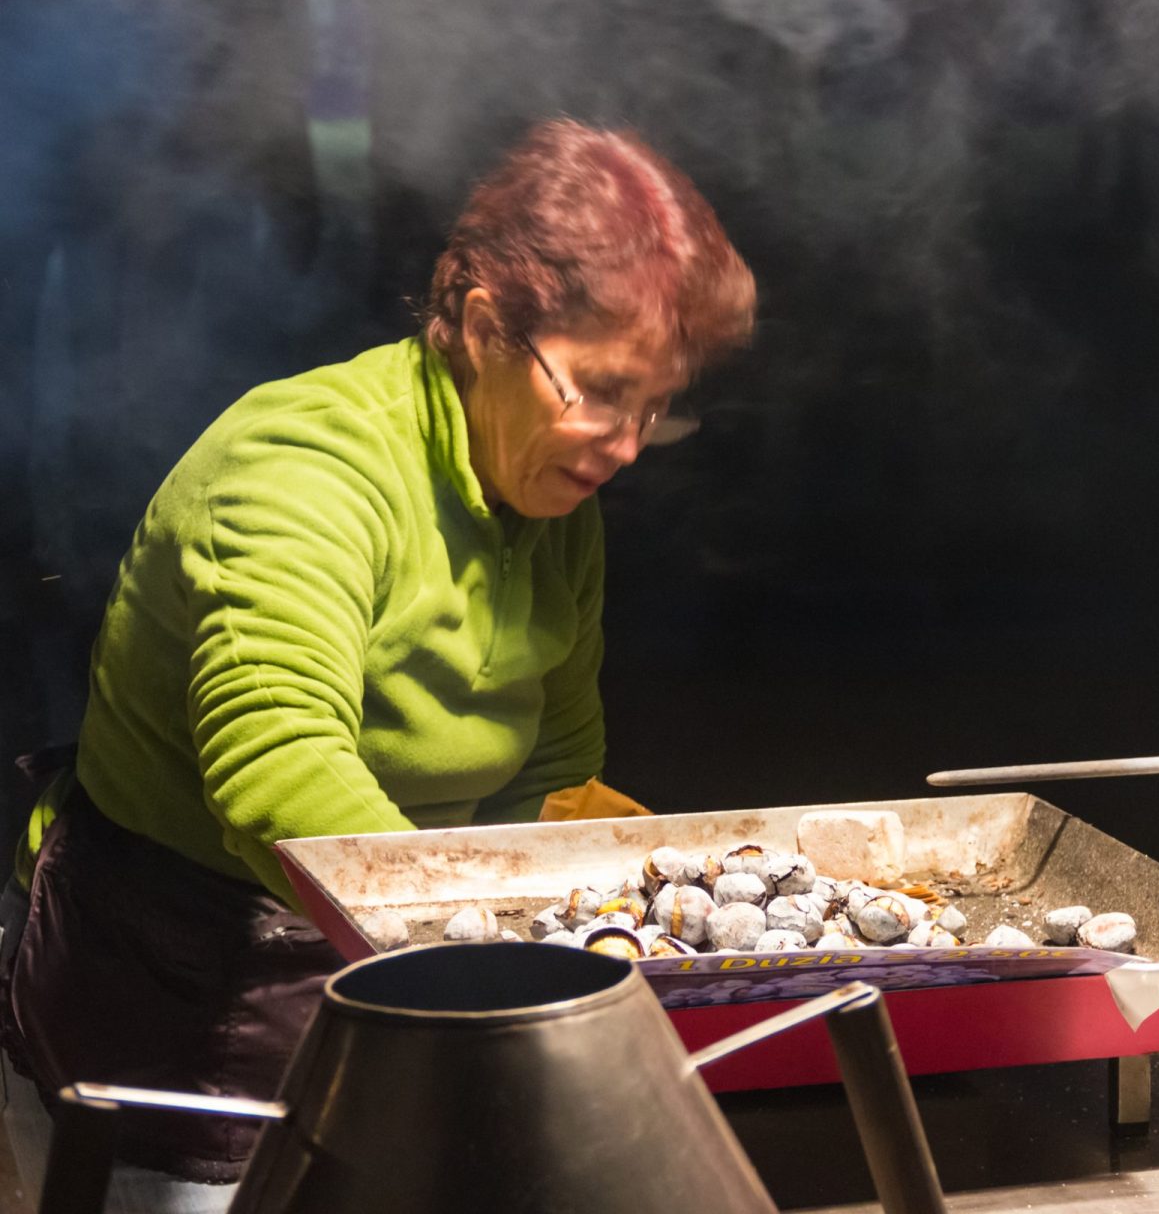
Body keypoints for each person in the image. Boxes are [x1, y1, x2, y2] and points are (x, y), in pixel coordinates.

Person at [0, 118, 755, 1209]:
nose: (626, 442)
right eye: (597, 389)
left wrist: (631, 925)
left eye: (654, 406)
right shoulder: (302, 467)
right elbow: (280, 773)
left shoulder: (553, 499)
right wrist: (483, 961)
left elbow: (555, 765)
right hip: (188, 987)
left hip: (392, 962)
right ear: (486, 325)